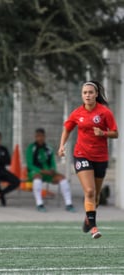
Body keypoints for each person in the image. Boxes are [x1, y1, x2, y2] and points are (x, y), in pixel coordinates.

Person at [58, 80, 118, 239]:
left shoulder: (105, 112)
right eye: (85, 93)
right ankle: (94, 228)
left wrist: (103, 134)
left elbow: (115, 133)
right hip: (81, 154)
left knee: (96, 196)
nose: (88, 95)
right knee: (89, 191)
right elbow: (67, 129)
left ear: (96, 94)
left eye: (90, 92)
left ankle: (87, 219)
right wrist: (61, 146)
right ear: (81, 95)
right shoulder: (77, 113)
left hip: (100, 157)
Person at [25, 128, 75, 213]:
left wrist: (52, 170)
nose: (40, 138)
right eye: (38, 136)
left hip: (48, 173)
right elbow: (29, 164)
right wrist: (41, 171)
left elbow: (52, 162)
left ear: (44, 137)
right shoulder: (31, 148)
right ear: (35, 137)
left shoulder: (48, 148)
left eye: (42, 136)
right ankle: (39, 204)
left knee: (62, 179)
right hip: (35, 172)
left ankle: (69, 204)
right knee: (37, 178)